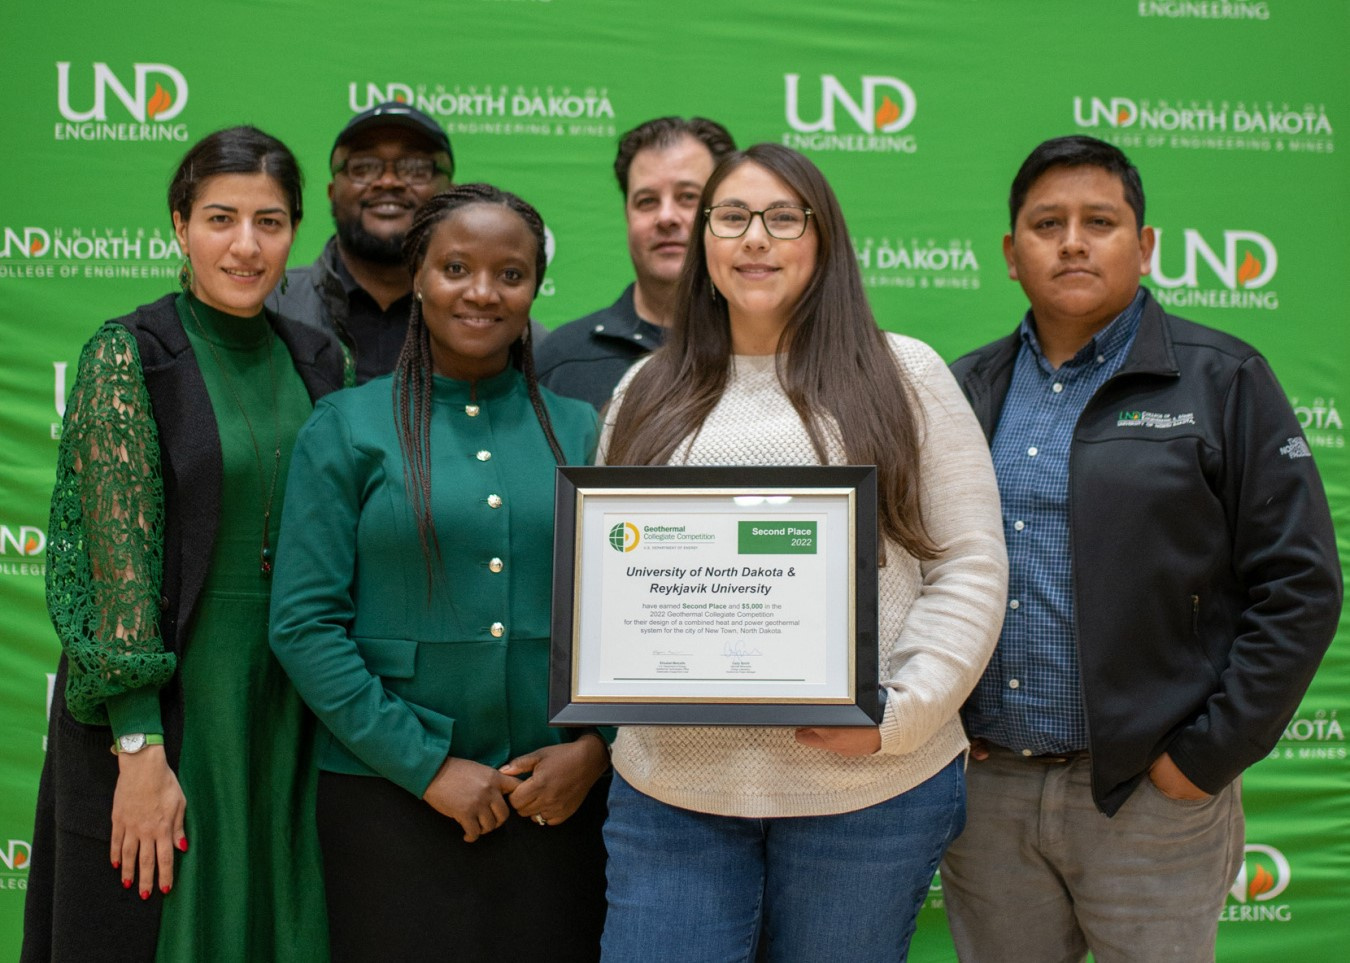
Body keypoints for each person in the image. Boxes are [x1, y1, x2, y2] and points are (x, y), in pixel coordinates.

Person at [597, 143, 1008, 962]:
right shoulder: (643, 390)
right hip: (672, 788)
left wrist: (897, 715)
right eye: (734, 217)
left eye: (784, 218)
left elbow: (968, 565)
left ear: (824, 241)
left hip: (868, 787)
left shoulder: (905, 372)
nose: (756, 238)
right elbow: (608, 579)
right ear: (706, 243)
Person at [941, 135, 1341, 963]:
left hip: (1150, 796)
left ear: (1146, 245)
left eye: (1101, 220)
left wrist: (1200, 760)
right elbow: (916, 571)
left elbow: (1300, 588)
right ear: (1012, 254)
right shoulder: (961, 389)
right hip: (990, 794)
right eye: (1047, 223)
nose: (1074, 240)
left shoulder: (1222, 379)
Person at [23, 126, 348, 961]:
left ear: (295, 233)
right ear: (178, 225)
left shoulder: (321, 361)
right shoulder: (128, 357)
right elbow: (110, 567)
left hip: (291, 702)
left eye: (270, 222)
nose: (246, 245)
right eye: (220, 218)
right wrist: (137, 748)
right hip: (172, 706)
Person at [269, 184, 610, 962]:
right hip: (387, 798)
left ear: (534, 287)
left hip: (554, 802)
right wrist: (425, 766)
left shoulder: (582, 428)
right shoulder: (347, 425)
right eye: (456, 267)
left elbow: (630, 615)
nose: (483, 292)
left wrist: (596, 748)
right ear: (419, 276)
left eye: (511, 273)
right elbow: (303, 624)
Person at [535, 115, 736, 408]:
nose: (666, 217)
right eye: (647, 201)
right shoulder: (561, 360)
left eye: (688, 197)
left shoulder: (770, 354)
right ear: (628, 214)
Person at [270, 101, 455, 384]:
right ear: (332, 191)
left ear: (451, 193)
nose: (389, 181)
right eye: (364, 167)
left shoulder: (489, 324)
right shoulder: (271, 308)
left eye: (416, 168)